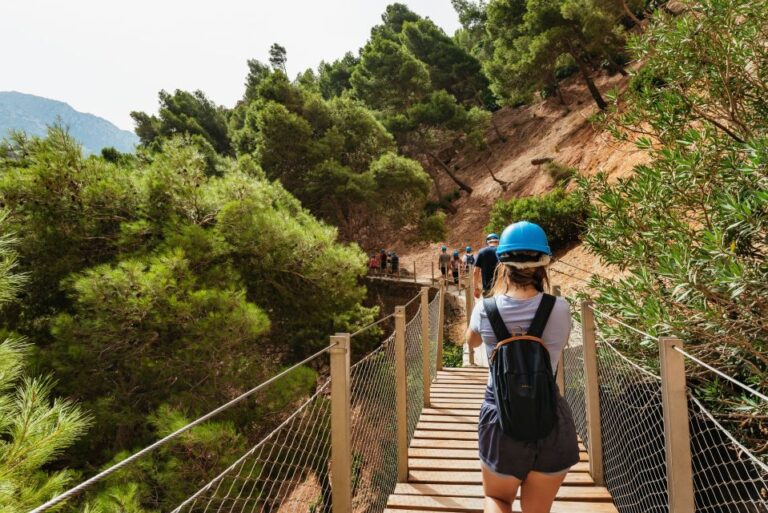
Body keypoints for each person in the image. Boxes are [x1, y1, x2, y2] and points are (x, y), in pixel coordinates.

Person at [465, 221, 578, 513]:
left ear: (502, 261)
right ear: (544, 263)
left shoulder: (485, 310)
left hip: (501, 419)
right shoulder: (560, 309)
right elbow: (560, 342)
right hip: (549, 417)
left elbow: (472, 342)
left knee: (498, 500)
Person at [474, 233, 500, 298]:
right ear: (498, 241)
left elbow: (475, 272)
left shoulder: (481, 252)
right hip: (501, 289)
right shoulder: (502, 251)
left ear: (487, 242)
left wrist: (476, 288)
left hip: (487, 289)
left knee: (488, 307)